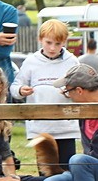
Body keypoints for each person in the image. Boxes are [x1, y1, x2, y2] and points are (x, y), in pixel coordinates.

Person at [12, 19, 81, 166]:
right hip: (40, 127)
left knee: (67, 170)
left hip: (66, 127)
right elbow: (15, 86)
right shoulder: (31, 62)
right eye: (48, 42)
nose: (52, 48)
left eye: (58, 44)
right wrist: (21, 90)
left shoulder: (72, 62)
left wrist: (71, 92)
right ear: (40, 39)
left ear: (65, 42)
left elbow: (81, 89)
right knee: (45, 170)